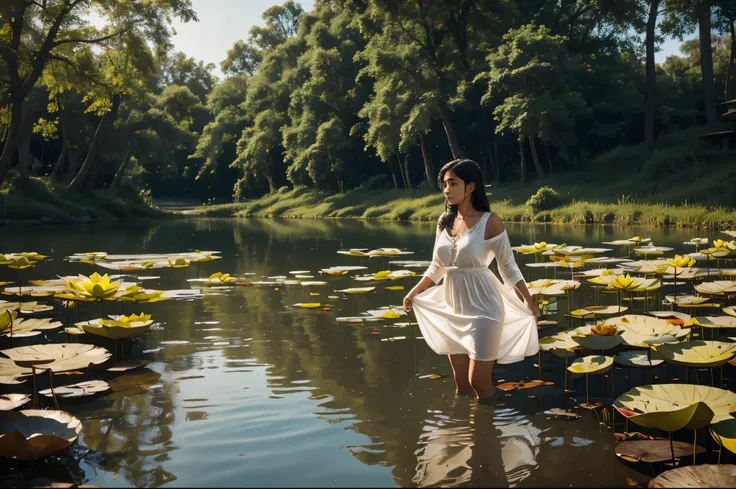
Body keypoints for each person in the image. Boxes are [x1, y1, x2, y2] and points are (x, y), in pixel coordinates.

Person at [403, 159, 539, 400]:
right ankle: (469, 429)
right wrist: (414, 292)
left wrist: (528, 301)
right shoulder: (444, 222)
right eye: (445, 184)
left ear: (471, 187)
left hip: (485, 308)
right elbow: (438, 265)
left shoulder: (491, 222)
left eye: (453, 183)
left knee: (478, 381)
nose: (446, 189)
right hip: (453, 307)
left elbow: (507, 267)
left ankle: (491, 430)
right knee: (461, 383)